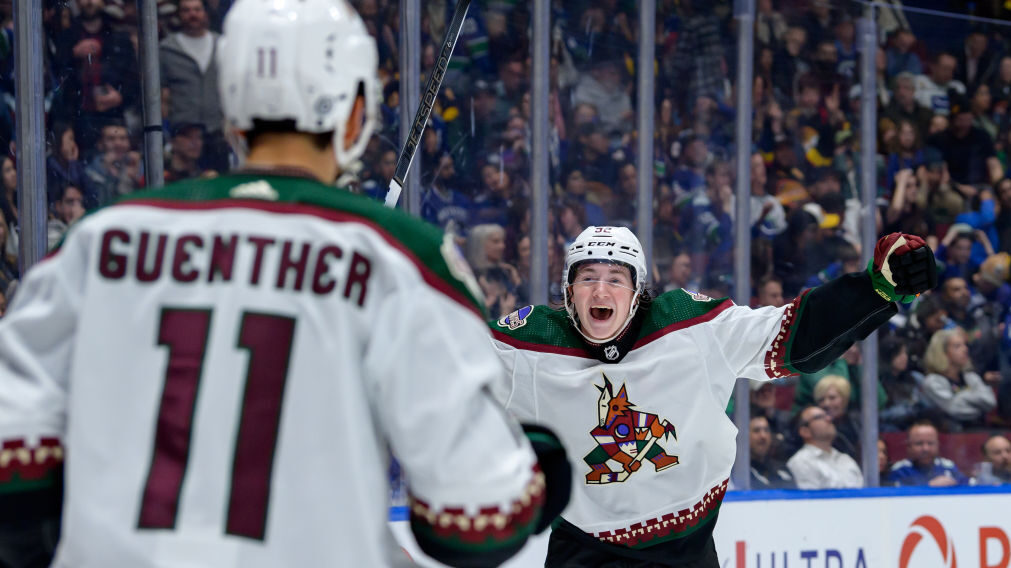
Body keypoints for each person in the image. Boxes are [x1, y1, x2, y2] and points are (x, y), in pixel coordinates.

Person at [0, 2, 571, 567]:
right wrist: (541, 463)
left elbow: (15, 464)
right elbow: (476, 516)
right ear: (354, 113)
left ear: (232, 108)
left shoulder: (100, 240)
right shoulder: (403, 260)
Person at [489, 226, 935, 566]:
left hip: (688, 546)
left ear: (638, 290)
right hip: (586, 548)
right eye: (587, 278)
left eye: (615, 279)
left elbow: (790, 336)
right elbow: (446, 370)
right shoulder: (528, 346)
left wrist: (872, 288)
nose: (600, 291)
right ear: (568, 291)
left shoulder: (691, 328)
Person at [921, 327, 997, 430]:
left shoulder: (971, 377)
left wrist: (960, 397)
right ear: (942, 352)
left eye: (965, 345)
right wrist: (979, 405)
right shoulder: (933, 381)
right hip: (950, 436)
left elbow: (990, 402)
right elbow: (954, 409)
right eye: (957, 346)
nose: (965, 349)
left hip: (979, 430)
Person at [786, 406, 864, 490]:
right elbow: (810, 500)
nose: (829, 419)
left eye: (827, 415)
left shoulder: (845, 459)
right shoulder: (801, 461)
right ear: (805, 431)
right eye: (819, 417)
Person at [886, 421, 968, 486]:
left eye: (930, 443)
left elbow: (968, 488)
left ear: (938, 445)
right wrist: (928, 486)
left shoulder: (949, 467)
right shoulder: (899, 471)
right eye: (919, 443)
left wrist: (956, 485)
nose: (926, 449)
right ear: (909, 447)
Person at [749, 414, 796, 490]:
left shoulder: (782, 468)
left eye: (766, 430)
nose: (763, 436)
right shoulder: (738, 472)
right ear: (743, 436)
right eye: (756, 430)